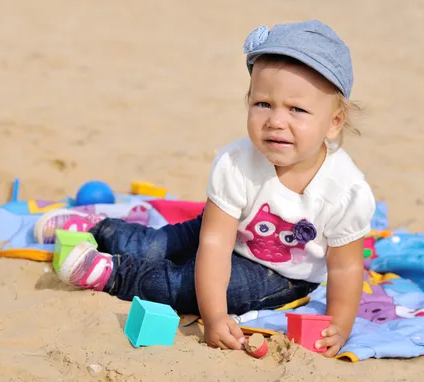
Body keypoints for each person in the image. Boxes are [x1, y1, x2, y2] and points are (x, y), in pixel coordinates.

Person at [34, 20, 376, 357]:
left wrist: (340, 326)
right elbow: (214, 241)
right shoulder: (237, 162)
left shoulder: (345, 192)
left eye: (296, 109)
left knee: (191, 286)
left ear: (333, 123)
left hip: (283, 273)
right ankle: (97, 227)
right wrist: (212, 317)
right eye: (263, 104)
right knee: (157, 243)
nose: (276, 120)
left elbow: (345, 268)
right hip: (223, 230)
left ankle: (112, 273)